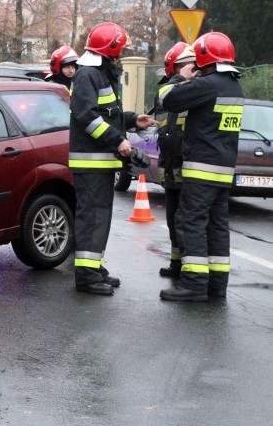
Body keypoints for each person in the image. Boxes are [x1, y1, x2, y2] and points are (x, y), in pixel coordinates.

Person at [69, 22, 156, 295]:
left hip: (101, 162)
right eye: (119, 52)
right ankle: (85, 275)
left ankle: (94, 268)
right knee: (91, 218)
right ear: (110, 50)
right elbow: (87, 117)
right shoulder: (87, 76)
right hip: (90, 162)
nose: (119, 57)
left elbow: (108, 114)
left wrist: (132, 121)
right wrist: (118, 141)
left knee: (100, 217)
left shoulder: (101, 75)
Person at [159, 32, 244, 302]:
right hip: (223, 169)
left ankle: (194, 283)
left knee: (191, 221)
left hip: (200, 169)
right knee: (217, 225)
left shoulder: (209, 84)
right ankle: (217, 284)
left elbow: (167, 99)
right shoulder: (234, 86)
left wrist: (183, 76)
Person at [155, 42, 195, 278]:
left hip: (187, 166)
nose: (186, 70)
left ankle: (191, 268)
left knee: (186, 220)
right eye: (182, 66)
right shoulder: (168, 91)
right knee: (172, 220)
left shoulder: (195, 90)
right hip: (170, 166)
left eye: (188, 66)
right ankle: (176, 263)